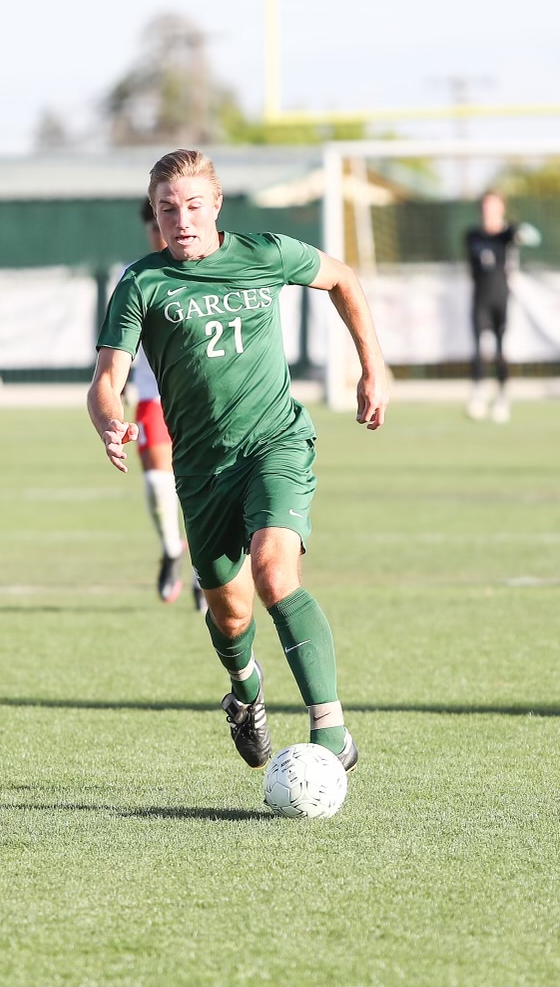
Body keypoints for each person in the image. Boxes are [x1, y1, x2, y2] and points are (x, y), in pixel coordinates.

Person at [88, 148, 388, 774]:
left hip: (274, 443)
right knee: (230, 615)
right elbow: (106, 378)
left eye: (194, 205)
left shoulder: (263, 254)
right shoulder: (142, 283)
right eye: (168, 209)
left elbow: (342, 279)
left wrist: (372, 366)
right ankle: (245, 689)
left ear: (217, 205)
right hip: (200, 471)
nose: (182, 219)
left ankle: (330, 728)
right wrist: (108, 417)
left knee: (275, 572)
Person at [130, 198, 205, 611]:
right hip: (153, 396)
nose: (166, 232)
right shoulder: (137, 276)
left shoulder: (209, 271)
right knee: (159, 481)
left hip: (201, 397)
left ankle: (203, 568)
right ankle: (171, 549)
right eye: (159, 223)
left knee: (200, 485)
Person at [463, 190, 540, 423]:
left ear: (501, 208)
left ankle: (502, 396)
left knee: (500, 350)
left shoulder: (507, 233)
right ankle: (478, 395)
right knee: (478, 349)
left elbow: (532, 238)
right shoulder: (473, 235)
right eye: (486, 206)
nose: (489, 211)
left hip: (501, 296)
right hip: (480, 297)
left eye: (494, 206)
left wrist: (518, 232)